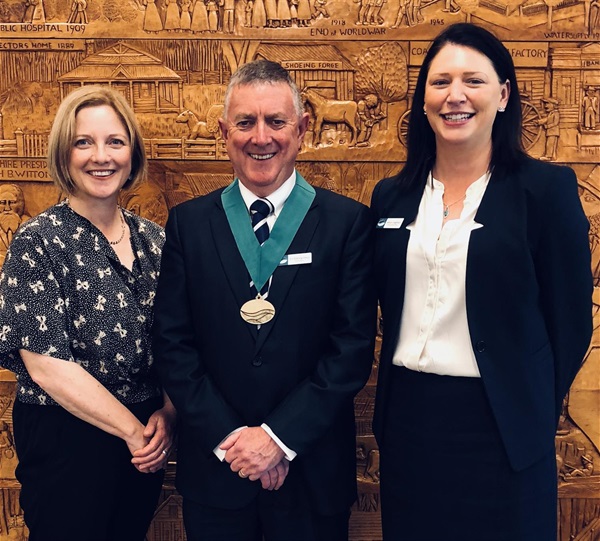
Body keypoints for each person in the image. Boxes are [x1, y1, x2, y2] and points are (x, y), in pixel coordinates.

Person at [371, 23, 592, 541]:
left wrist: (528, 400)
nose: (455, 96)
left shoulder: (544, 191)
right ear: (423, 98)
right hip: (409, 422)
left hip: (502, 427)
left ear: (503, 93)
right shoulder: (391, 197)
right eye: (440, 81)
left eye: (473, 80)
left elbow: (570, 323)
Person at [153, 59, 376, 541]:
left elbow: (352, 349)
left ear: (302, 129)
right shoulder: (188, 226)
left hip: (311, 474)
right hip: (218, 477)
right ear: (222, 132)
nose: (261, 137)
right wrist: (236, 444)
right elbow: (173, 345)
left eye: (276, 121)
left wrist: (278, 440)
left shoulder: (347, 224)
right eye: (245, 122)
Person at [0, 86, 176, 541]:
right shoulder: (37, 241)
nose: (102, 156)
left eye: (115, 142)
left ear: (132, 152)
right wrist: (133, 432)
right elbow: (47, 367)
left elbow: (183, 340)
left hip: (146, 439)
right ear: (65, 153)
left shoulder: (156, 241)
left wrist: (169, 415)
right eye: (84, 142)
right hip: (68, 438)